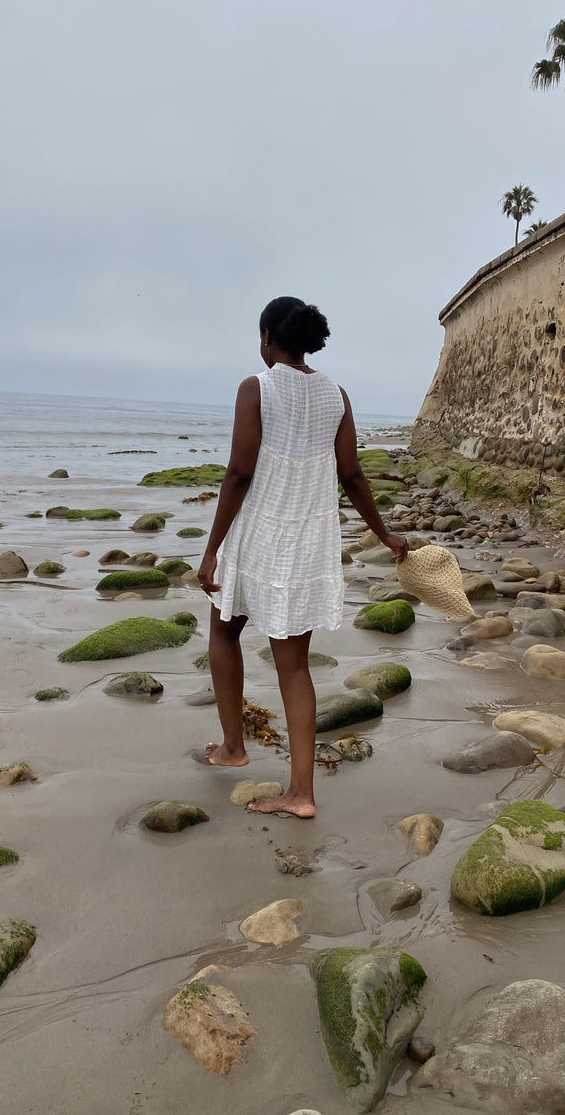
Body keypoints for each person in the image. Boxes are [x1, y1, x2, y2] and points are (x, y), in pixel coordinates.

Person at [197, 296, 408, 818]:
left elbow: (239, 473)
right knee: (294, 668)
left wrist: (211, 549)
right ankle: (301, 793)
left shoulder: (257, 387)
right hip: (308, 541)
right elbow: (352, 474)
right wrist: (384, 535)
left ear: (268, 337)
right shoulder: (336, 395)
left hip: (256, 536)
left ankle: (232, 748)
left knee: (224, 631)